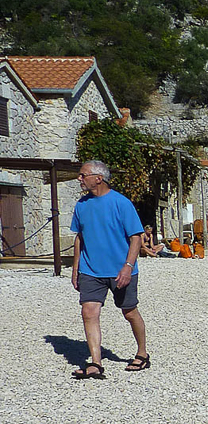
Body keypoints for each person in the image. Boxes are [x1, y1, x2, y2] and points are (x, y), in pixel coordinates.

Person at [69, 161, 148, 379]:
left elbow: (135, 238)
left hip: (121, 270)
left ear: (98, 178)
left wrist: (128, 267)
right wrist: (75, 269)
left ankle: (142, 353)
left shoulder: (121, 203)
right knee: (89, 312)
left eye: (82, 175)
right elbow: (79, 238)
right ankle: (95, 362)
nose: (79, 179)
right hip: (90, 270)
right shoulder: (81, 205)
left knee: (129, 312)